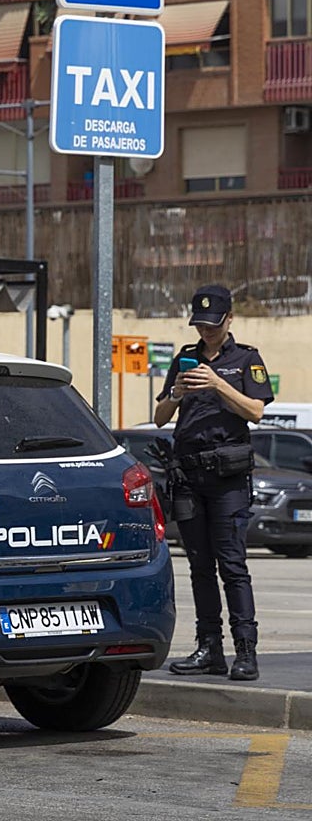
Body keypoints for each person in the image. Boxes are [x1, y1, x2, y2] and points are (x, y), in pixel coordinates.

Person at [153, 284, 272, 681]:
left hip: (228, 479)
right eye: (200, 324)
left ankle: (246, 651)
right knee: (200, 567)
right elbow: (158, 417)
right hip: (189, 475)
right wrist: (176, 393)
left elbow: (256, 411)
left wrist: (219, 384)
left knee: (232, 565)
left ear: (229, 319)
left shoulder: (246, 359)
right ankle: (209, 648)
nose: (205, 331)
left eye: (212, 324)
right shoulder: (185, 357)